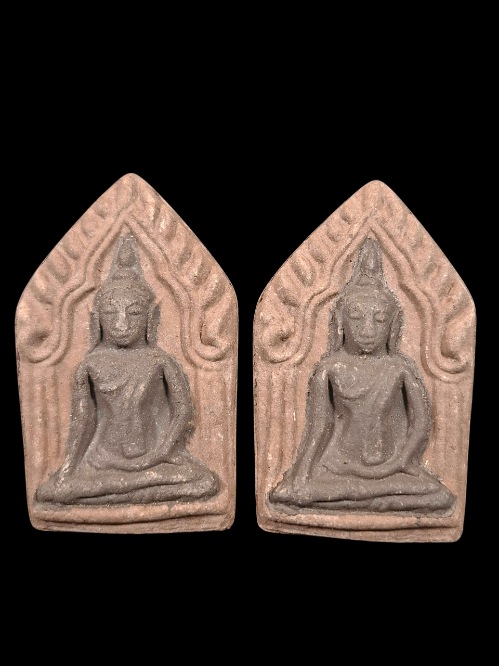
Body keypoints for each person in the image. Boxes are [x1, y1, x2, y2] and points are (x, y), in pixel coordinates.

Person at [270, 238, 455, 513]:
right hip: (336, 466)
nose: (367, 329)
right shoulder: (330, 368)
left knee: (439, 495)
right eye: (356, 318)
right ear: (340, 323)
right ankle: (375, 501)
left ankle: (355, 499)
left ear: (393, 327)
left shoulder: (398, 368)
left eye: (379, 320)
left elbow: (421, 422)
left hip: (390, 467)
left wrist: (401, 461)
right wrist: (301, 472)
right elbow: (318, 427)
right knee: (293, 490)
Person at [36, 233, 219, 505]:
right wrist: (68, 466)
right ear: (97, 320)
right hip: (102, 459)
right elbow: (82, 420)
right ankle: (118, 489)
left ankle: (106, 492)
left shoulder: (160, 361)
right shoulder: (89, 365)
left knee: (206, 482)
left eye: (133, 313)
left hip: (154, 457)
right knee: (52, 491)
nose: (122, 323)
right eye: (111, 314)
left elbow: (183, 411)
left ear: (151, 318)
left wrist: (163, 451)